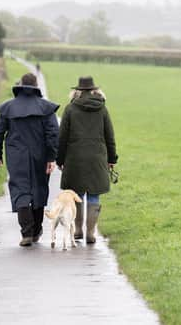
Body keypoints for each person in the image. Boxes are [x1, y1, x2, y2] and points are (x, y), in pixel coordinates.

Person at [0, 73, 60, 246]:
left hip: (16, 157)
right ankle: (36, 230)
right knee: (39, 188)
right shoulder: (46, 108)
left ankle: (26, 233)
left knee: (21, 191)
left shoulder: (8, 108)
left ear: (20, 86)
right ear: (36, 86)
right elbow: (53, 134)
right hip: (41, 155)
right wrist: (51, 157)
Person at [57, 76, 118, 244]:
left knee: (77, 196)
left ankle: (78, 230)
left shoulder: (70, 109)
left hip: (74, 158)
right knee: (94, 196)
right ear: (93, 90)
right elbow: (109, 137)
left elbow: (62, 137)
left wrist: (59, 159)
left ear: (77, 90)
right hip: (97, 158)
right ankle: (91, 232)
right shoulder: (102, 109)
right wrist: (112, 159)